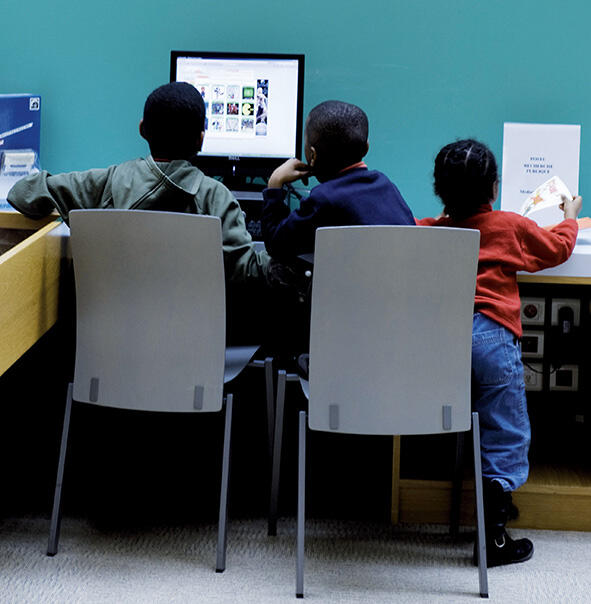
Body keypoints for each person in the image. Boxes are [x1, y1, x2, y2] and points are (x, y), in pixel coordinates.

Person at [417, 139, 582, 567]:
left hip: (438, 344)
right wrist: (569, 218)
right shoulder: (509, 226)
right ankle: (493, 535)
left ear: (438, 189)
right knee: (505, 432)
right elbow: (558, 249)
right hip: (490, 337)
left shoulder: (430, 231)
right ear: (494, 187)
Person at [7, 81, 269, 285]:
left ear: (142, 129)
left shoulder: (105, 183)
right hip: (196, 337)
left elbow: (22, 193)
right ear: (201, 139)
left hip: (105, 336)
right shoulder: (218, 198)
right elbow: (247, 271)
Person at [260, 100, 415, 262]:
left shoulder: (323, 200)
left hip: (352, 279)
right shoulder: (385, 184)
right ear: (366, 148)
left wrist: (275, 184)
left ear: (312, 155)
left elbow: (276, 245)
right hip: (397, 276)